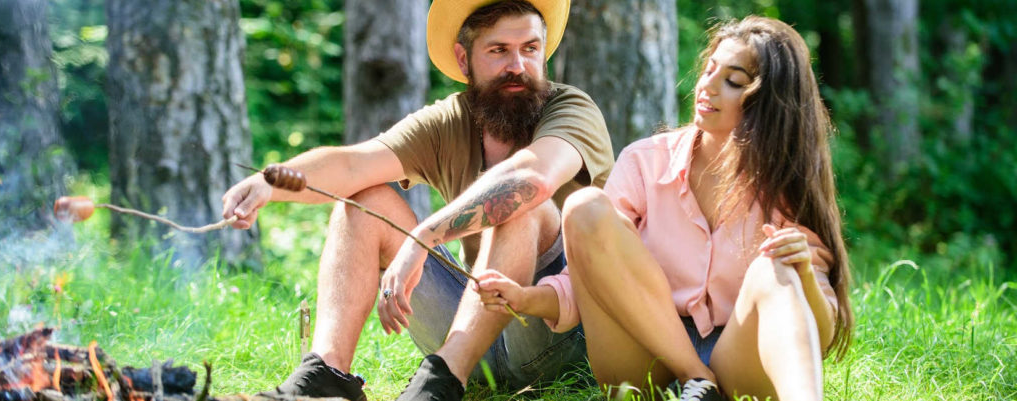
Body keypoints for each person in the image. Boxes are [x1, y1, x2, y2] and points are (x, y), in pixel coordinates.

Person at [221, 1, 613, 400]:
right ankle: (327, 375)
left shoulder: (571, 108)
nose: (518, 65)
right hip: (478, 328)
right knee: (362, 201)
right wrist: (270, 182)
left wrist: (423, 236)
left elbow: (532, 179)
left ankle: (441, 382)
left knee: (520, 203)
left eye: (530, 49)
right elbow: (355, 165)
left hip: (562, 331)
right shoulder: (450, 122)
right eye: (499, 51)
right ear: (464, 59)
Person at [474, 16, 853, 401]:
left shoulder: (788, 188)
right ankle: (696, 378)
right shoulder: (646, 161)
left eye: (733, 81)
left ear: (768, 104)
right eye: (709, 70)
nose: (707, 87)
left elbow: (819, 331)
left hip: (737, 362)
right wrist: (525, 299)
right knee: (585, 206)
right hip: (644, 362)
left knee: (777, 267)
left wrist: (802, 274)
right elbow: (586, 279)